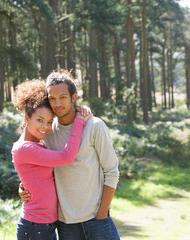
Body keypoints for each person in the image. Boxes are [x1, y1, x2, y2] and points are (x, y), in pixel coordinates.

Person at [20, 71, 120, 240]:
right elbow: (36, 166)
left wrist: (102, 214)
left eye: (63, 97)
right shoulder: (47, 131)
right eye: (52, 98)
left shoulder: (94, 126)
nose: (57, 103)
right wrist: (23, 187)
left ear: (74, 97)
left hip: (97, 220)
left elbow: (111, 172)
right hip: (65, 224)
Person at [11, 79, 92, 240]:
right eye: (39, 120)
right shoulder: (25, 148)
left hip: (43, 225)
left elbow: (37, 178)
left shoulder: (39, 144)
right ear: (27, 118)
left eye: (49, 122)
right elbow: (66, 157)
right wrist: (79, 121)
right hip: (35, 226)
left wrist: (23, 186)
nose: (45, 127)